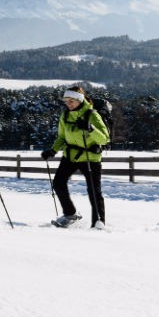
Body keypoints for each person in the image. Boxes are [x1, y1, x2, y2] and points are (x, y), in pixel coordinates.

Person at [40, 86, 109, 228]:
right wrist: (53, 150)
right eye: (66, 101)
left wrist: (90, 128)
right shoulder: (65, 116)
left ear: (79, 100)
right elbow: (62, 137)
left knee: (94, 190)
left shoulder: (92, 115)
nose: (68, 103)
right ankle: (70, 213)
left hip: (90, 157)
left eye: (71, 101)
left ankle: (98, 221)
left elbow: (104, 139)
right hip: (70, 156)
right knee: (58, 183)